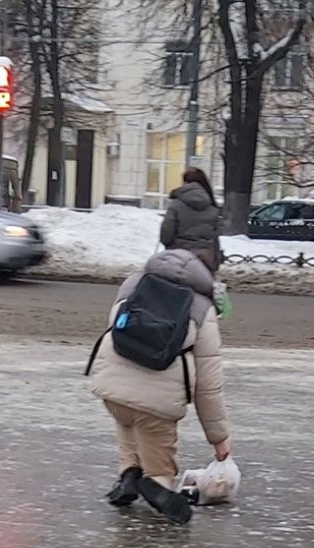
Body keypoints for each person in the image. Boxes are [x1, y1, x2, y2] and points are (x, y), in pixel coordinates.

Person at [87, 249, 232, 525]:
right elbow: (208, 384)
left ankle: (129, 473)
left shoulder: (133, 284)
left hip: (111, 386)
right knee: (158, 450)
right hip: (158, 402)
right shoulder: (202, 308)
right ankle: (159, 486)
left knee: (128, 418)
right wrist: (218, 438)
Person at [160, 167, 223, 272]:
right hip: (205, 257)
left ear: (185, 183)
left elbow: (167, 232)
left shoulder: (176, 205)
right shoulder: (212, 207)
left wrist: (168, 245)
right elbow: (215, 238)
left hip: (179, 255)